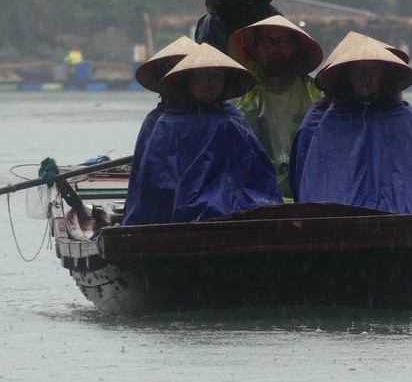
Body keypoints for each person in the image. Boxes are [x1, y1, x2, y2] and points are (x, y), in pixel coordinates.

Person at [290, 32, 412, 213]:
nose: (366, 77)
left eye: (374, 69)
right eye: (358, 69)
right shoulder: (320, 119)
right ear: (347, 75)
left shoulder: (403, 117)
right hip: (336, 222)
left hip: (401, 219)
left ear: (384, 75)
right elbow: (304, 178)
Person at [122, 44, 282, 225]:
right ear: (188, 80)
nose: (210, 82)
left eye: (217, 75)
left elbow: (257, 179)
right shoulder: (166, 124)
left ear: (226, 80)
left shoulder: (233, 120)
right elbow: (155, 188)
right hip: (180, 218)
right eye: (202, 75)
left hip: (234, 214)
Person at [226, 15, 323, 197]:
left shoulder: (318, 96)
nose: (275, 48)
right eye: (267, 42)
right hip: (253, 201)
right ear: (255, 49)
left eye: (282, 41)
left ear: (295, 47)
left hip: (310, 198)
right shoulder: (237, 100)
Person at [127, 36, 200, 203]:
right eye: (173, 71)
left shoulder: (226, 119)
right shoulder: (156, 121)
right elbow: (148, 184)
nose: (178, 78)